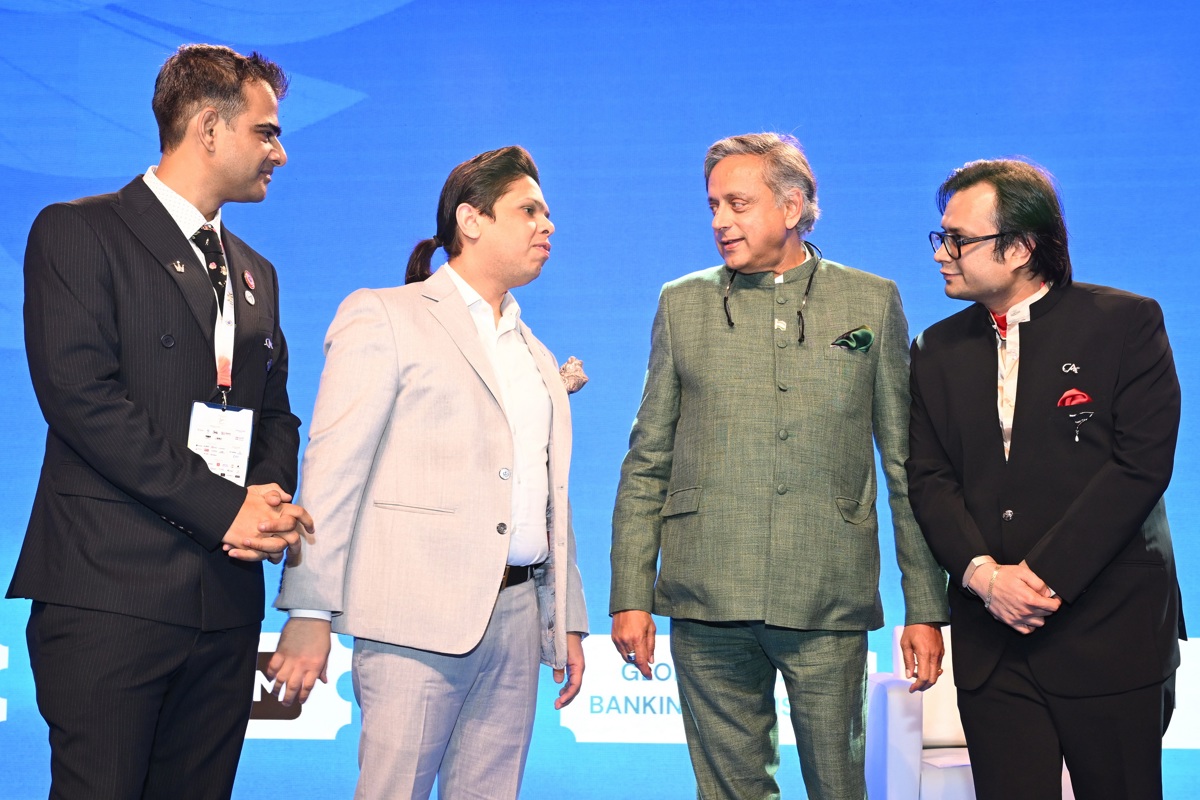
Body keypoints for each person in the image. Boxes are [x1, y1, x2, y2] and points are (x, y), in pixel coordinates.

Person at [9, 44, 312, 799]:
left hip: (223, 602)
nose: (279, 153)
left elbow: (274, 412)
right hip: (111, 595)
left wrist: (263, 500)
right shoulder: (79, 231)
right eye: (266, 133)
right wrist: (225, 508)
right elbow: (82, 400)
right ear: (208, 129)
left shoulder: (257, 271)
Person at [610, 132, 948, 800]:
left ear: (792, 208)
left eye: (737, 204)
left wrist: (925, 606)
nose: (719, 221)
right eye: (712, 205)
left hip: (827, 593)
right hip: (706, 594)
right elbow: (647, 460)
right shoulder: (682, 304)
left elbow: (904, 466)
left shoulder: (870, 301)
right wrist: (629, 594)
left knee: (838, 787)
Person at [268, 145, 587, 800]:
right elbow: (333, 471)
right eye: (528, 210)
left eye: (547, 212)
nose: (546, 225)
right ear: (472, 220)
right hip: (411, 619)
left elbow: (548, 495)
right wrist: (308, 609)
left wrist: (567, 618)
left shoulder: (534, 352)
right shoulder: (385, 315)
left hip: (517, 619)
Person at [907, 158, 1185, 799]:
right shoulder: (935, 349)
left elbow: (1140, 465)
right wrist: (986, 579)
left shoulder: (1125, 322)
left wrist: (1037, 581)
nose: (941, 254)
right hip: (992, 640)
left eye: (959, 240)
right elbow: (928, 478)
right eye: (940, 237)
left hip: (1109, 628)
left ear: (1021, 247)